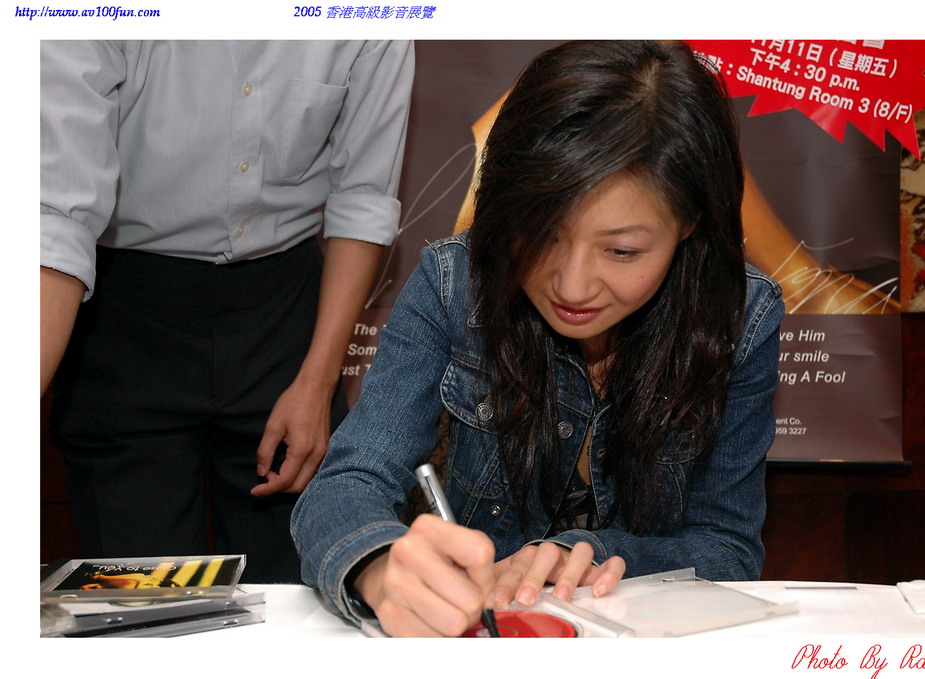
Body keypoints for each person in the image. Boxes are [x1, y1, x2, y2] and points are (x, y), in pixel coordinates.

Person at [291, 40, 784, 636]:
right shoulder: (455, 284)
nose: (572, 286)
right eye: (542, 234)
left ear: (689, 223)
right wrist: (377, 565)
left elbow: (727, 548)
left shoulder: (740, 318)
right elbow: (347, 483)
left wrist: (590, 555)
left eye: (622, 251)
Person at [40, 41, 414, 583]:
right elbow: (54, 218)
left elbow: (364, 197)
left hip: (286, 314)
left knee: (296, 586)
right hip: (125, 314)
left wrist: (316, 383)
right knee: (145, 600)